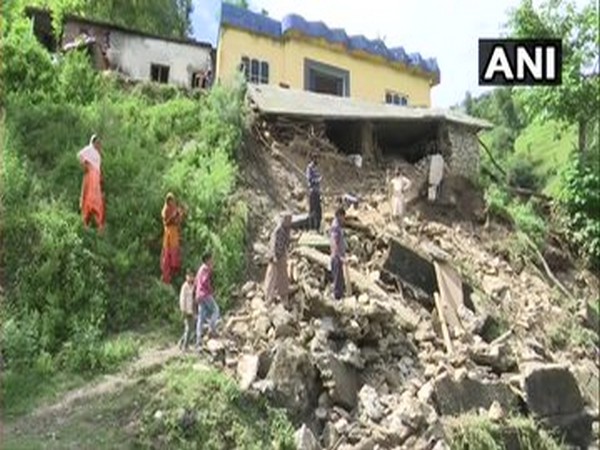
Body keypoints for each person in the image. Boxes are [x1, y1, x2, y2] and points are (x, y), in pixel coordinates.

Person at [78, 134, 105, 232]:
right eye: (97, 142)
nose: (99, 144)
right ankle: (85, 222)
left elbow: (99, 167)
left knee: (97, 200)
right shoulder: (89, 149)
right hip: (90, 177)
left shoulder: (98, 153)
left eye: (100, 143)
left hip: (96, 177)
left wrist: (101, 178)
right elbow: (80, 155)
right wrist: (86, 165)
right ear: (93, 142)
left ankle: (98, 225)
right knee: (89, 198)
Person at [264, 212, 292, 304]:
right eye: (288, 219)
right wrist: (274, 256)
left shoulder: (286, 229)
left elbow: (286, 243)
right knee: (272, 277)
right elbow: (273, 244)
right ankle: (268, 298)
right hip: (275, 257)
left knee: (283, 277)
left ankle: (283, 295)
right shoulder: (278, 230)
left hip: (282, 255)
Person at [195, 252, 220, 350]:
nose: (212, 261)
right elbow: (205, 281)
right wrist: (211, 290)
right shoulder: (205, 268)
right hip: (205, 294)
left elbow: (197, 282)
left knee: (201, 318)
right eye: (211, 259)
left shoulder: (200, 269)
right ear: (207, 260)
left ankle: (198, 341)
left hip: (199, 295)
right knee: (216, 310)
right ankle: (212, 328)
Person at [160, 193, 185, 284]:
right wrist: (173, 216)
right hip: (168, 234)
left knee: (175, 253)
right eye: (170, 201)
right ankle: (166, 276)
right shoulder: (165, 210)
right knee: (167, 255)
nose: (172, 202)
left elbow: (178, 221)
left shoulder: (174, 208)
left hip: (174, 234)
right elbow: (166, 222)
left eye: (172, 200)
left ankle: (174, 273)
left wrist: (180, 214)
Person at [330, 207, 346, 300]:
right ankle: (337, 297)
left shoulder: (337, 226)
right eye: (343, 217)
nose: (344, 219)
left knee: (339, 277)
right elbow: (334, 242)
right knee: (337, 277)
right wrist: (339, 255)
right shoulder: (335, 227)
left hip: (337, 256)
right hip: (336, 256)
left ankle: (339, 295)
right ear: (339, 215)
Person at [178, 271, 196, 351]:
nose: (190, 278)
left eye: (192, 276)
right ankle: (185, 346)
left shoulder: (193, 286)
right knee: (188, 328)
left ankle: (181, 342)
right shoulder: (184, 286)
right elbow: (182, 299)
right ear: (186, 277)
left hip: (192, 310)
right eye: (189, 276)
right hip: (187, 310)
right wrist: (183, 309)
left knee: (190, 328)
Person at [306, 152, 322, 231]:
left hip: (317, 192)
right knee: (312, 211)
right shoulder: (309, 168)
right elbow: (309, 180)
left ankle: (317, 228)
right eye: (316, 158)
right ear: (313, 159)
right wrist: (317, 180)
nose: (317, 160)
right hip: (313, 192)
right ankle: (311, 228)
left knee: (318, 212)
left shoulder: (316, 168)